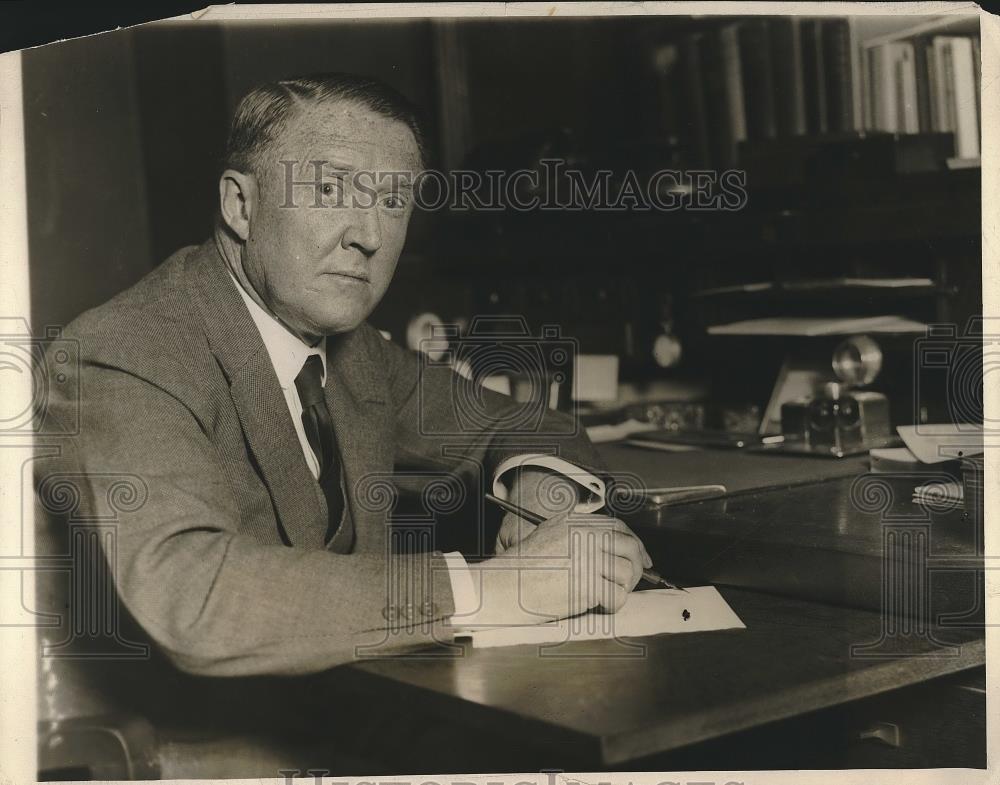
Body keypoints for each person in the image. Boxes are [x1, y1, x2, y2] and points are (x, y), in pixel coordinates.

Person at [38, 73, 651, 677]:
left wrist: (540, 504)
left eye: (392, 202)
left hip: (356, 705)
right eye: (331, 191)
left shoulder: (349, 348)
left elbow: (523, 424)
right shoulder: (124, 351)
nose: (369, 236)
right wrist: (498, 585)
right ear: (240, 205)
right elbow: (195, 598)